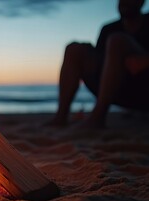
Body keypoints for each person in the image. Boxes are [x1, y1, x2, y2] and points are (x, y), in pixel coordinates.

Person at [48, 0, 149, 128]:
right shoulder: (109, 29)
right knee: (74, 48)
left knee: (117, 40)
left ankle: (97, 118)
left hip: (143, 87)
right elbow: (101, 64)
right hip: (114, 87)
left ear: (141, 2)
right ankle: (60, 117)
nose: (124, 2)